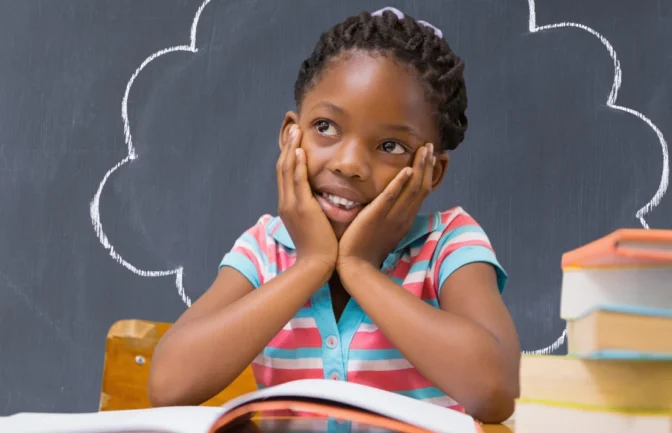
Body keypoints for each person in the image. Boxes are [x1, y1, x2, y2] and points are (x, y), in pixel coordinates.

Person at [148, 6, 520, 424]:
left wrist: (360, 269)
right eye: (326, 126)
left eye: (390, 146)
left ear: (431, 171)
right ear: (292, 135)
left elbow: (494, 391)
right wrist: (311, 264)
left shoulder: (449, 245)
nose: (348, 164)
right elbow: (167, 383)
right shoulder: (265, 250)